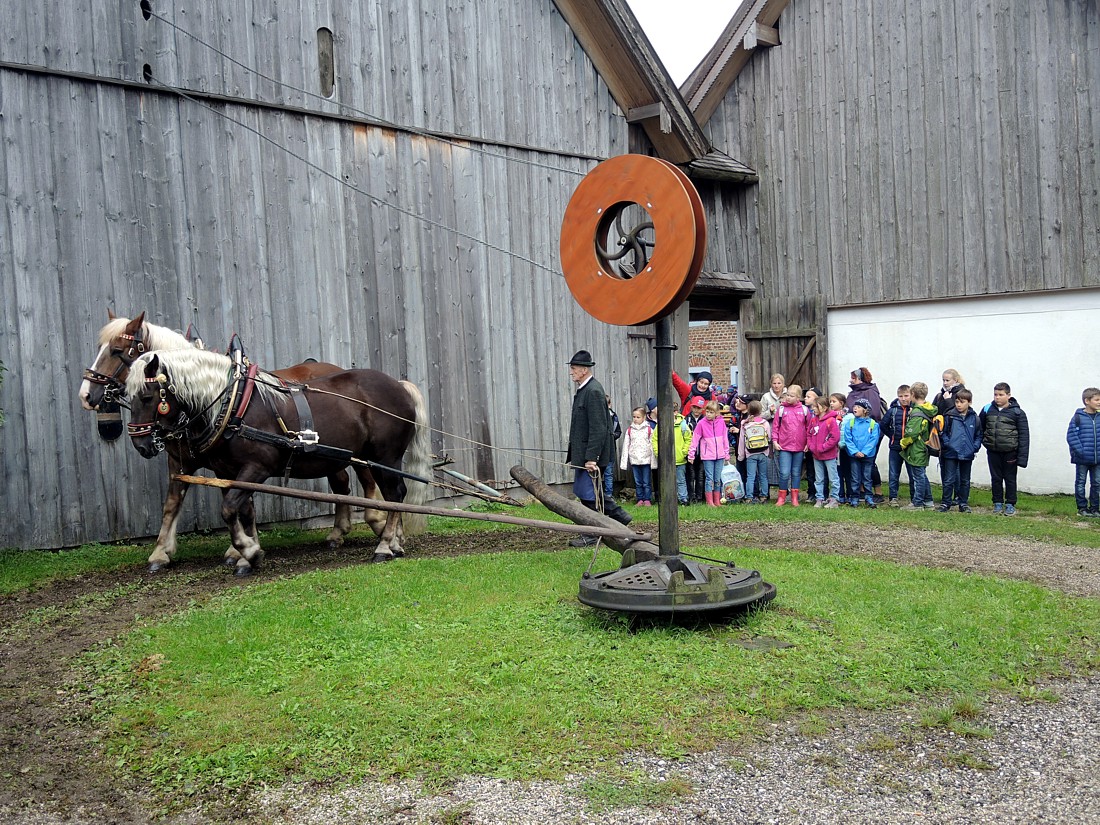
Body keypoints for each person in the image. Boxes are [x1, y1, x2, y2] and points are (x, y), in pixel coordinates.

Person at [564, 350, 632, 547]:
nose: (571, 372)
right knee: (589, 491)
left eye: (574, 368)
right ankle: (619, 517)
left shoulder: (593, 391)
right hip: (585, 453)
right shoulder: (585, 389)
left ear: (584, 370)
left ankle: (593, 533)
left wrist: (592, 457)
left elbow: (599, 428)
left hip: (592, 455)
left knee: (588, 493)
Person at [979, 382, 1030, 515]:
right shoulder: (987, 409)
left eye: (1001, 395)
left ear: (1008, 395)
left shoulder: (1017, 413)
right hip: (993, 451)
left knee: (1010, 478)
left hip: (1010, 452)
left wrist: (1022, 458)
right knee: (996, 478)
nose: (997, 397)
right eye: (995, 394)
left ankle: (1010, 503)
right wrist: (985, 442)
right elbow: (981, 427)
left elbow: (1024, 436)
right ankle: (997, 503)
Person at [938, 388, 982, 512]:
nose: (958, 404)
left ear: (969, 402)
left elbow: (978, 435)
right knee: (949, 479)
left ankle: (963, 503)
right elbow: (944, 432)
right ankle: (945, 503)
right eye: (957, 401)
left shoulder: (975, 418)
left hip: (967, 452)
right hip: (951, 452)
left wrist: (974, 447)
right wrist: (948, 444)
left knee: (965, 480)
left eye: (962, 402)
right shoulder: (950, 416)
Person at [845, 367, 885, 501]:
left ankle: (877, 492)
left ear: (860, 378)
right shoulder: (852, 393)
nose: (851, 380)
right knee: (856, 462)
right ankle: (862, 492)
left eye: (853, 377)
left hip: (869, 434)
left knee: (870, 462)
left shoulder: (870, 392)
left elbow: (874, 414)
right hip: (854, 433)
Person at [899, 381, 937, 510]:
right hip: (924, 446)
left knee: (918, 476)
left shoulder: (917, 412)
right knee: (922, 474)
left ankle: (917, 503)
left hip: (917, 448)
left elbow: (912, 432)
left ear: (913, 394)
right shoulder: (928, 409)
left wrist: (903, 442)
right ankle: (928, 501)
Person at [687, 400, 732, 507]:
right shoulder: (701, 424)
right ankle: (709, 501)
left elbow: (725, 439)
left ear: (716, 413)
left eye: (711, 412)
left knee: (717, 479)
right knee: (709, 479)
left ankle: (717, 500)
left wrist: (726, 453)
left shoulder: (721, 423)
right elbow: (695, 440)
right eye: (707, 412)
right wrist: (691, 454)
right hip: (708, 456)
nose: (708, 414)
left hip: (720, 455)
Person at [772, 385, 809, 507]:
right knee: (784, 472)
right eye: (787, 394)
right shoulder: (781, 409)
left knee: (796, 472)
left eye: (791, 396)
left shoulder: (804, 410)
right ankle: (781, 497)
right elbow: (776, 426)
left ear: (798, 397)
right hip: (784, 446)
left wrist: (808, 443)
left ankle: (794, 498)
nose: (788, 397)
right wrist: (775, 441)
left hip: (799, 447)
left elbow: (809, 428)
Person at [1067, 387, 1100, 517]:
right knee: (1080, 482)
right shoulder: (1077, 418)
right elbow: (1071, 436)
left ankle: (1095, 508)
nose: (1099, 402)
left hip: (1098, 459)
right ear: (1087, 401)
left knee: (1096, 483)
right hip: (1082, 458)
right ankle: (1082, 508)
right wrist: (1081, 451)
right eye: (1097, 399)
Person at [841, 399, 879, 507]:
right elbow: (848, 439)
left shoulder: (873, 424)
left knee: (867, 477)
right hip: (854, 456)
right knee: (855, 477)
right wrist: (855, 452)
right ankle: (854, 498)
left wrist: (864, 452)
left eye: (858, 406)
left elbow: (873, 439)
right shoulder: (850, 423)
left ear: (865, 410)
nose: (855, 408)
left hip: (868, 456)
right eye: (854, 406)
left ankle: (869, 497)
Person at [880, 384, 913, 507]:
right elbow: (883, 425)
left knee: (912, 474)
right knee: (894, 473)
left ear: (911, 395)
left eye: (906, 396)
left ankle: (914, 498)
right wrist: (892, 435)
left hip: (910, 448)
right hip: (895, 447)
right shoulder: (893, 410)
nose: (904, 399)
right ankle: (893, 498)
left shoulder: (915, 410)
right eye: (901, 396)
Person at [652, 405, 692, 505]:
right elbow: (655, 439)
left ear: (675, 412)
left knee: (681, 480)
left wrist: (684, 452)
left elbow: (688, 438)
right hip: (666, 459)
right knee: (666, 481)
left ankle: (683, 499)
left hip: (680, 458)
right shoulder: (660, 424)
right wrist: (658, 453)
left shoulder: (682, 424)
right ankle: (668, 499)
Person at [807, 395, 841, 508]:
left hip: (829, 455)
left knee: (833, 478)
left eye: (816, 407)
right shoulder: (813, 420)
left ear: (824, 407)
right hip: (816, 455)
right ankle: (819, 498)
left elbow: (835, 437)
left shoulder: (831, 421)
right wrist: (811, 446)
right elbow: (809, 434)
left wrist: (823, 447)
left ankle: (834, 498)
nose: (813, 409)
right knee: (819, 478)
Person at [620, 407, 657, 506]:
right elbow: (625, 446)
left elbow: (653, 446)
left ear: (644, 417)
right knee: (638, 482)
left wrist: (653, 462)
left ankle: (647, 499)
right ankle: (640, 499)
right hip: (635, 460)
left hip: (646, 459)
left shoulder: (649, 429)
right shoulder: (630, 430)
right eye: (634, 417)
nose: (635, 419)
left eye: (638, 417)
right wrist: (624, 463)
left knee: (646, 482)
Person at [738, 400, 771, 503]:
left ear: (748, 410)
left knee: (750, 476)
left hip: (750, 453)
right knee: (763, 476)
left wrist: (740, 456)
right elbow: (769, 437)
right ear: (760, 411)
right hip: (763, 452)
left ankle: (749, 496)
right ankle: (764, 496)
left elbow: (742, 441)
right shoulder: (765, 423)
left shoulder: (745, 424)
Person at [829, 393, 853, 504]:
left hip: (847, 448)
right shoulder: (830, 416)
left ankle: (851, 495)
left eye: (834, 401)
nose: (831, 404)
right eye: (830, 402)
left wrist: (844, 443)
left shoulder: (850, 417)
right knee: (838, 473)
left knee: (848, 472)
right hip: (835, 448)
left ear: (841, 403)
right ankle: (840, 494)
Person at [684, 395, 707, 503]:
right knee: (690, 475)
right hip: (690, 452)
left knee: (701, 476)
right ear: (691, 407)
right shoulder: (686, 420)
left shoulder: (705, 419)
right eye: (695, 407)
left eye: (699, 408)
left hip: (703, 452)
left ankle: (700, 496)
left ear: (703, 409)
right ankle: (691, 496)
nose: (696, 410)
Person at [604, 395, 622, 503]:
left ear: (610, 404)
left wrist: (612, 436)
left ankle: (609, 495)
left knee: (608, 473)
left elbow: (618, 432)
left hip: (610, 450)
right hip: (599, 451)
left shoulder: (614, 416)